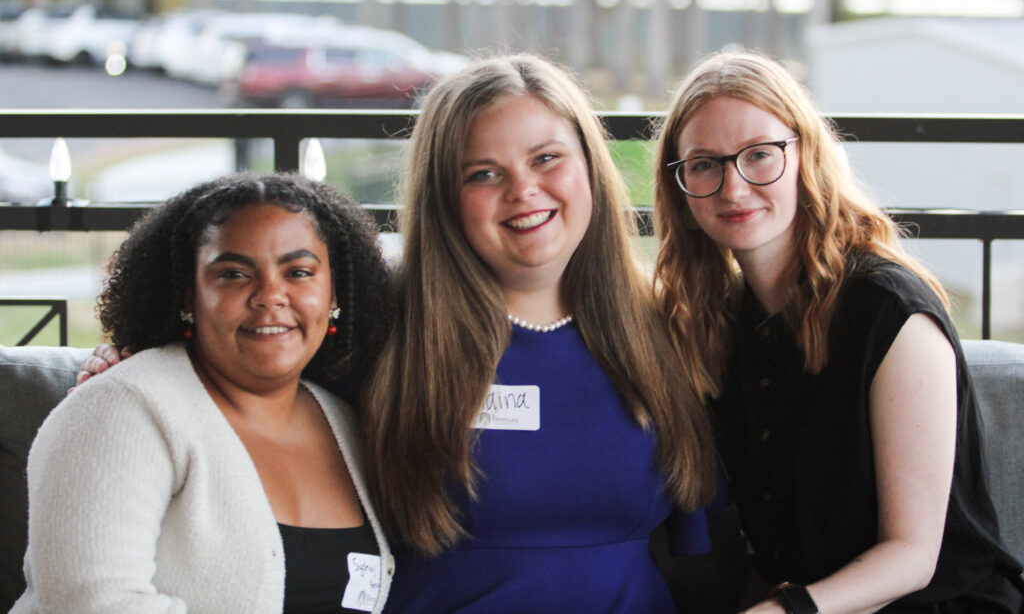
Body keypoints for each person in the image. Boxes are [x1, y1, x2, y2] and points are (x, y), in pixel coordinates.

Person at [653, 50, 1024, 613]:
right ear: (680, 186)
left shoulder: (890, 309)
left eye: (759, 155)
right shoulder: (722, 320)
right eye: (705, 164)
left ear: (807, 154)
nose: (733, 187)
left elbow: (913, 556)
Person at [360, 53, 718, 613]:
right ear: (445, 200)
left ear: (590, 167)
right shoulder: (386, 331)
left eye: (546, 158)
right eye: (483, 173)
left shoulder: (668, 324)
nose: (523, 190)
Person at [13, 173, 395, 614]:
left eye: (299, 272)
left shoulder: (345, 421)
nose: (271, 295)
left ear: (334, 294)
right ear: (187, 296)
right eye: (233, 274)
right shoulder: (121, 407)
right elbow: (91, 603)